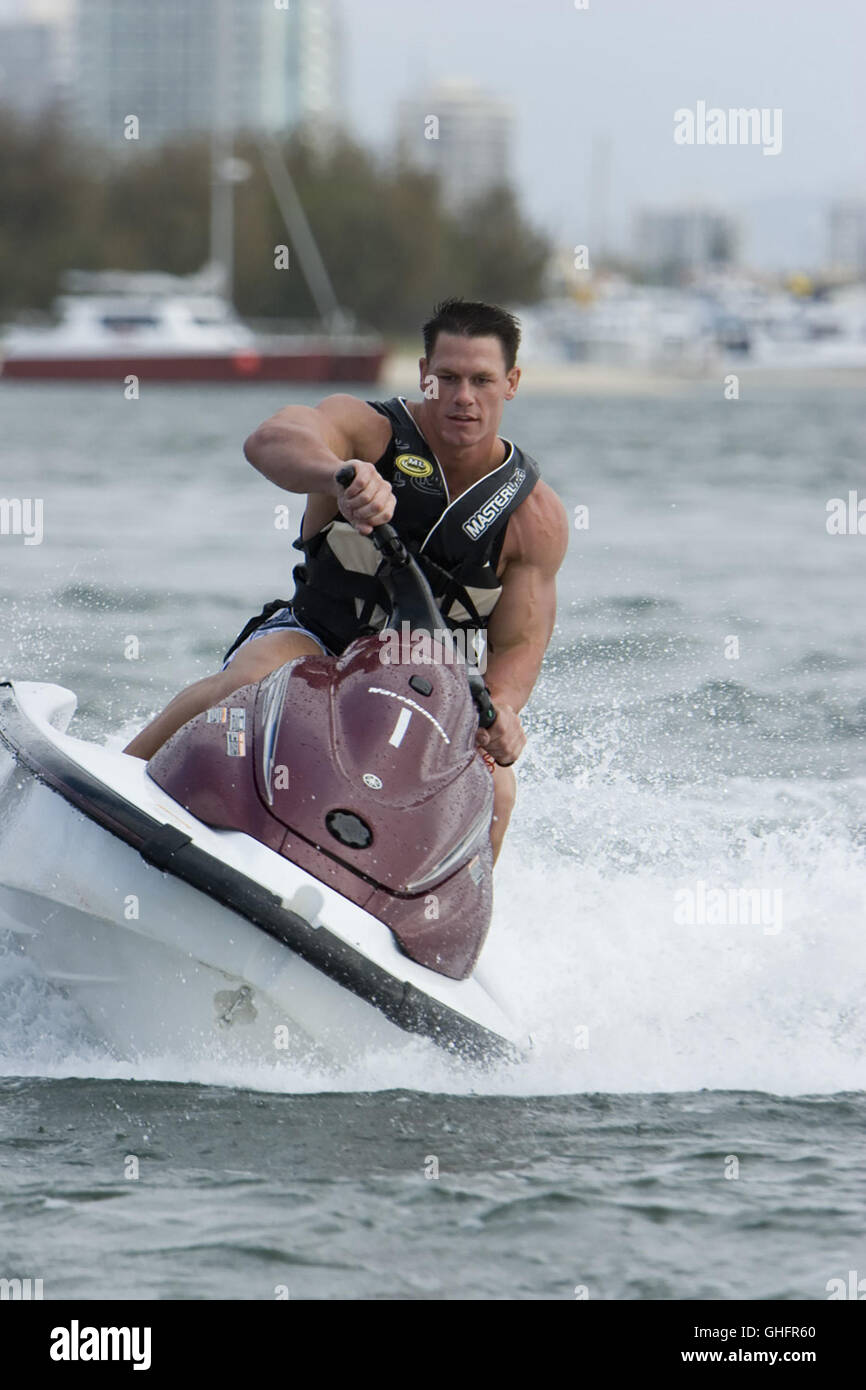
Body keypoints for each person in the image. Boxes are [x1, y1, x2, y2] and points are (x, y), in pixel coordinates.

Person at [124, 298, 569, 862]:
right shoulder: (366, 432)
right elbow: (269, 440)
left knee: (498, 788)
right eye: (448, 378)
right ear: (424, 377)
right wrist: (338, 475)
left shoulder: (535, 517)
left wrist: (502, 710)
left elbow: (519, 643)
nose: (463, 397)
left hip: (422, 686)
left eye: (482, 380)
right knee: (253, 680)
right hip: (315, 640)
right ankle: (115, 784)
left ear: (511, 383)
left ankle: (428, 934)